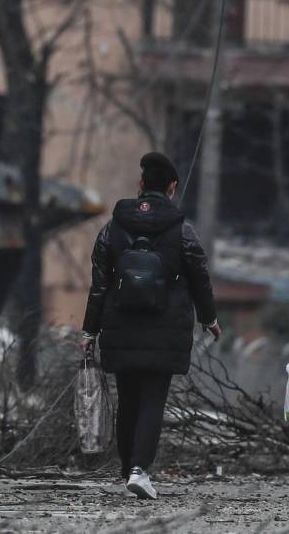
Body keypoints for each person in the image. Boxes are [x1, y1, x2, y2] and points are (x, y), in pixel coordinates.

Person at [81, 152, 221, 500]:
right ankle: (139, 470)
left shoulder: (112, 228)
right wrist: (209, 318)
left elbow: (99, 284)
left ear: (141, 185)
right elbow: (200, 277)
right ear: (172, 187)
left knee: (128, 398)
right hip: (165, 328)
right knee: (153, 399)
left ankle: (128, 468)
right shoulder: (182, 230)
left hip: (120, 325)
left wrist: (89, 331)